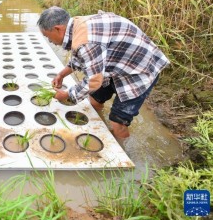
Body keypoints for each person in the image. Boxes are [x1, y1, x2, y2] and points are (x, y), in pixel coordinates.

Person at [37, 7, 169, 142]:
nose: (50, 41)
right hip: (114, 63)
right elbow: (82, 57)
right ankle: (98, 129)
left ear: (58, 28)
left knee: (118, 121)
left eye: (47, 36)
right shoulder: (77, 24)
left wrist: (67, 95)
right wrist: (61, 74)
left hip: (138, 70)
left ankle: (121, 150)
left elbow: (93, 81)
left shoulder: (86, 40)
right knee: (94, 100)